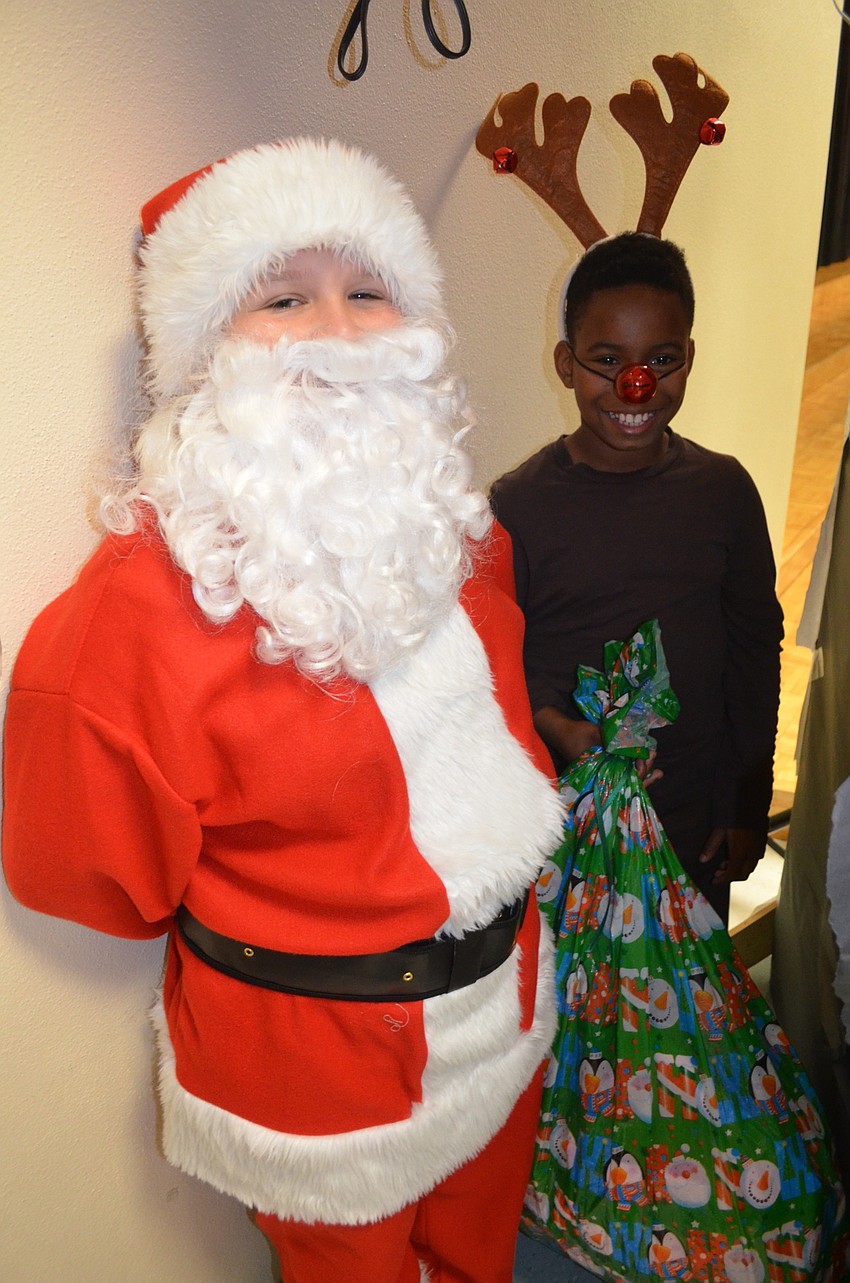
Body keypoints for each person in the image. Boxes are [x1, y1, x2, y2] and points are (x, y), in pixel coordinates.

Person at [2, 138, 565, 1282]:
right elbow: (86, 869)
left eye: (367, 290)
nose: (338, 330)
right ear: (205, 347)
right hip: (316, 1070)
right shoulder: (132, 614)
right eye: (282, 297)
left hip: (504, 1007)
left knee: (479, 1261)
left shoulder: (456, 528)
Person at [491, 232, 783, 922]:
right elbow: (496, 663)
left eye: (661, 359)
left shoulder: (725, 493)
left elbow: (753, 655)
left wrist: (745, 804)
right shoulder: (516, 505)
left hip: (692, 827)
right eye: (607, 360)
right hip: (564, 828)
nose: (637, 384)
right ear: (566, 364)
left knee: (684, 1020)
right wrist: (552, 723)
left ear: (688, 358)